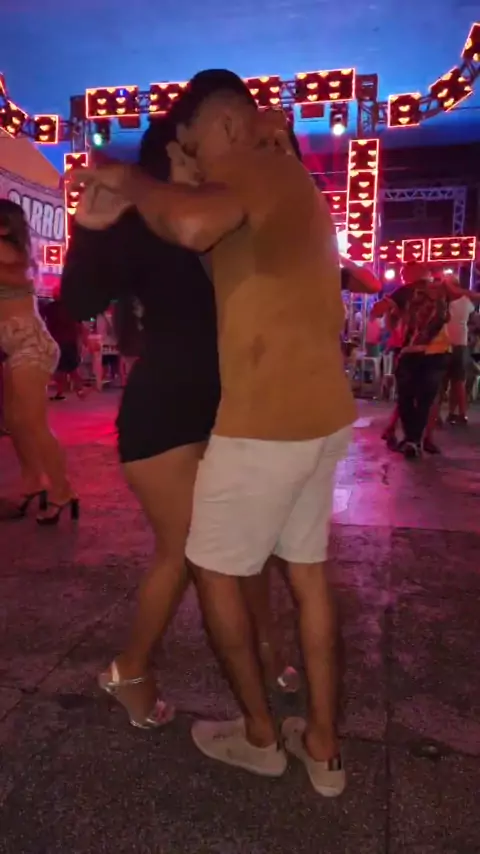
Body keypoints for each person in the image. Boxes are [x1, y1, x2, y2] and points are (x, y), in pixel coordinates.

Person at [73, 69, 356, 796]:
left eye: (193, 140)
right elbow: (191, 246)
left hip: (260, 421)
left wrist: (133, 181)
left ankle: (261, 733)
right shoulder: (267, 185)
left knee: (217, 565)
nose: (191, 156)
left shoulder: (249, 172)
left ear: (224, 126)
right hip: (294, 415)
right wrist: (128, 207)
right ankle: (318, 746)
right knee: (286, 570)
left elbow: (194, 227)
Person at [62, 114, 297, 728]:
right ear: (177, 148)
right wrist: (89, 227)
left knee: (248, 542)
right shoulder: (145, 221)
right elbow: (78, 301)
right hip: (164, 414)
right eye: (208, 143)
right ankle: (129, 669)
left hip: (226, 408)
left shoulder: (226, 215)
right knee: (188, 549)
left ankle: (267, 647)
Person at [0, 199, 77, 523]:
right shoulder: (12, 253)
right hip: (16, 345)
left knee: (33, 424)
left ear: (4, 227)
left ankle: (62, 491)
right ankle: (33, 483)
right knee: (15, 421)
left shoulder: (8, 252)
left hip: (31, 345)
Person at [372, 265, 479, 459]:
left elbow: (379, 311)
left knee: (409, 397)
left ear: (411, 274)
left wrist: (386, 313)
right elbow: (469, 295)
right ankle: (416, 439)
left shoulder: (407, 290)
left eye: (404, 274)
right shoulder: (439, 289)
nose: (403, 278)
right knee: (424, 399)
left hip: (417, 351)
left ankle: (414, 440)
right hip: (435, 352)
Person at [43, 287, 86, 400]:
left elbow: (44, 321)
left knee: (59, 369)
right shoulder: (72, 308)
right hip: (69, 341)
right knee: (72, 368)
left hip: (57, 341)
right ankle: (79, 390)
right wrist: (81, 341)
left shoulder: (50, 308)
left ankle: (61, 391)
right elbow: (79, 326)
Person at [445, 289, 475, 424]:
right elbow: (474, 319)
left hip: (445, 344)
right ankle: (459, 413)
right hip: (460, 343)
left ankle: (441, 415)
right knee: (458, 381)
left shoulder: (445, 301)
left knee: (444, 381)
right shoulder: (466, 301)